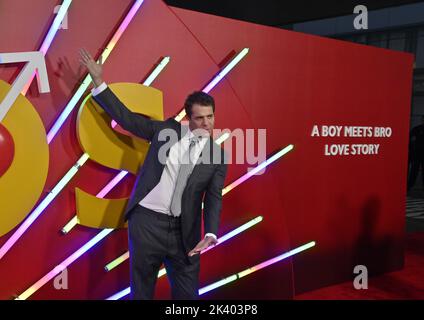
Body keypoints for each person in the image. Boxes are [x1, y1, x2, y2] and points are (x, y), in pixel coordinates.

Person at [79, 49, 228, 300]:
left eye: (210, 117)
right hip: (147, 223)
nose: (206, 124)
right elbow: (127, 120)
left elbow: (213, 197)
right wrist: (99, 82)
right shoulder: (164, 132)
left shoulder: (218, 155)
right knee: (142, 293)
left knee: (188, 298)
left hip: (186, 233)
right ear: (188, 119)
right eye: (199, 118)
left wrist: (211, 232)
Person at [408, 115, 424, 192]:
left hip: (418, 152)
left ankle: (410, 185)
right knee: (414, 170)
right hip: (417, 153)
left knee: (414, 170)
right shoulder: (417, 129)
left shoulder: (417, 129)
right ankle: (410, 185)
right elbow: (410, 138)